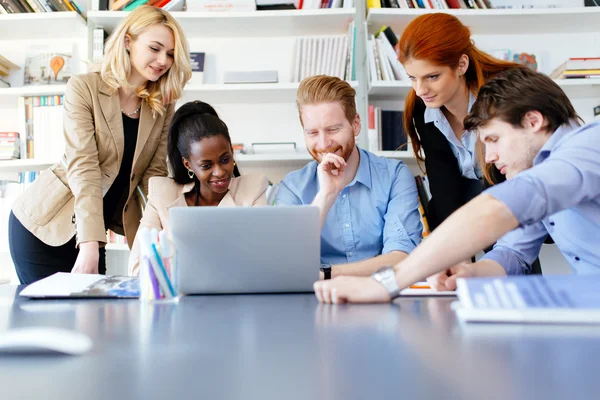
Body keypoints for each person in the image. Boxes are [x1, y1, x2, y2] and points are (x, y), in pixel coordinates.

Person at [313, 67, 599, 303]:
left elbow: (495, 210)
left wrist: (386, 284)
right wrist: (470, 272)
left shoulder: (589, 146)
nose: (490, 157)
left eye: (494, 140)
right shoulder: (543, 170)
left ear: (533, 121)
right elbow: (512, 253)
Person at [9, 6, 192, 284]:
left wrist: (163, 236)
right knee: (46, 322)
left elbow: (152, 177)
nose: (162, 60)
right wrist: (90, 245)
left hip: (95, 231)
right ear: (128, 42)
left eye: (170, 54)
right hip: (45, 226)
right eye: (155, 48)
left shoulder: (162, 104)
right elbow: (84, 167)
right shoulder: (84, 88)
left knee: (92, 322)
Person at [275, 75, 422, 279]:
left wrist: (326, 274)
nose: (324, 143)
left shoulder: (394, 176)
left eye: (332, 129)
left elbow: (401, 258)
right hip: (316, 300)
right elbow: (284, 261)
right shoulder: (292, 187)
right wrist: (326, 195)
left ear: (356, 124)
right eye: (312, 133)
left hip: (379, 293)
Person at [400, 13, 522, 232]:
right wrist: (455, 254)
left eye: (432, 76)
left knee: (511, 256)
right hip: (461, 195)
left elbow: (515, 180)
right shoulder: (422, 107)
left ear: (461, 65)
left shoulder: (506, 94)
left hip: (511, 194)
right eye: (412, 78)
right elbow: (442, 179)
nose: (420, 90)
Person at [128, 101, 269, 275]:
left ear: (232, 152)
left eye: (225, 159)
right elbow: (137, 268)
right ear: (188, 164)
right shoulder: (162, 194)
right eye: (206, 165)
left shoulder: (253, 190)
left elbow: (262, 261)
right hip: (179, 297)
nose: (219, 172)